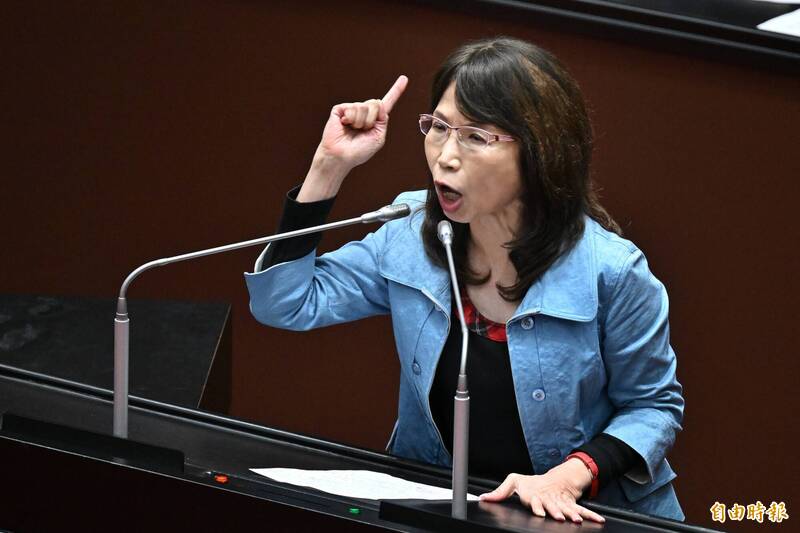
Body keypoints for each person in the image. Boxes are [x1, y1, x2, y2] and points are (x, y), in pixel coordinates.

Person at [245, 37, 684, 523]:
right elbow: (285, 303)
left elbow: (654, 406)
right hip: (443, 505)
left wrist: (568, 476)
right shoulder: (411, 234)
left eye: (475, 136)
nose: (445, 157)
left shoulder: (612, 271)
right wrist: (329, 165)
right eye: (438, 128)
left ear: (540, 151)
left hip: (578, 515)